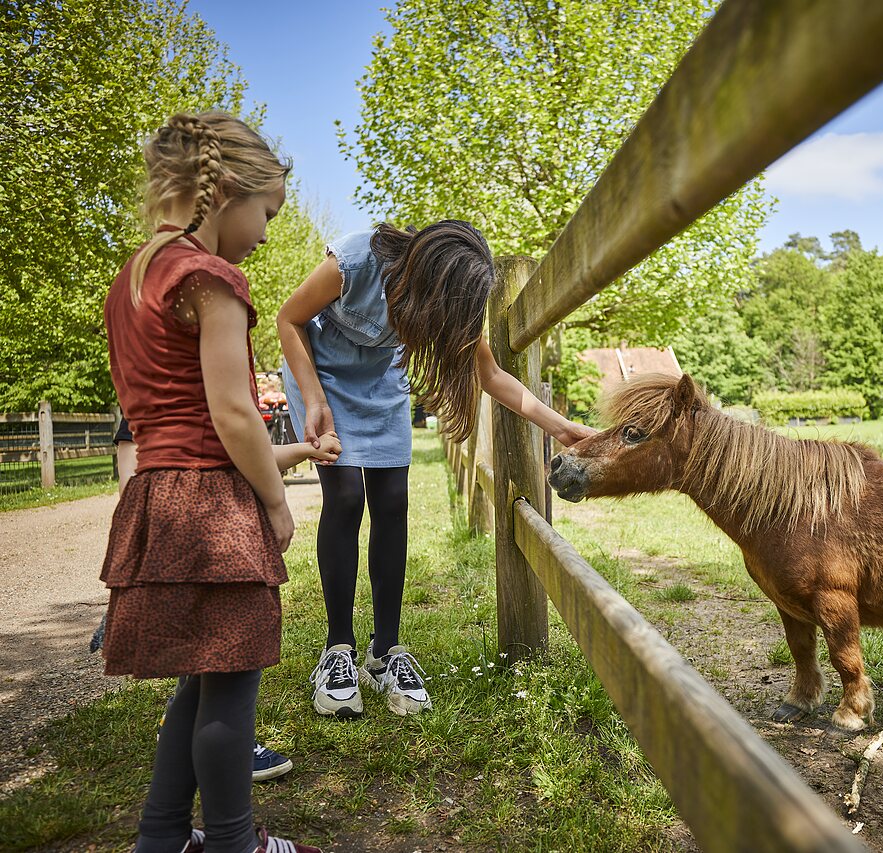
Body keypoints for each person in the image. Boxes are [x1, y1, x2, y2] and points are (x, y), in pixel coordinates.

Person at [100, 111, 323, 853]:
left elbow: (174, 413)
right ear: (227, 190)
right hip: (212, 506)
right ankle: (236, 843)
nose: (264, 233)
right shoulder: (209, 275)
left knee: (199, 679)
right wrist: (274, 499)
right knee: (230, 684)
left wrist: (285, 457)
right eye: (267, 213)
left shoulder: (132, 277)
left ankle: (161, 837)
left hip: (160, 497)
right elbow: (230, 411)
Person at [278, 222, 594, 718]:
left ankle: (386, 652)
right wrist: (315, 398)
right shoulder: (357, 262)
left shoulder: (446, 302)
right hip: (319, 377)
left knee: (392, 501)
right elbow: (289, 319)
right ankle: (338, 649)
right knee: (344, 497)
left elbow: (490, 375)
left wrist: (560, 428)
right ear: (429, 280)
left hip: (382, 383)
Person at [104, 418, 332, 783]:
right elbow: (132, 478)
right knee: (219, 653)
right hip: (185, 534)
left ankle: (188, 736)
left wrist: (307, 450)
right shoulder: (164, 403)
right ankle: (224, 745)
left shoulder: (203, 400)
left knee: (211, 651)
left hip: (211, 527)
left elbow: (251, 453)